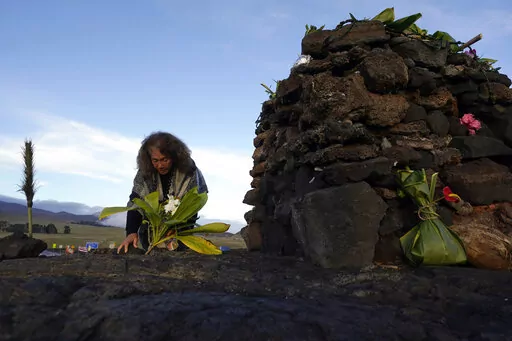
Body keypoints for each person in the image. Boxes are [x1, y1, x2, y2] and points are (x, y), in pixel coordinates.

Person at [117, 131, 208, 254]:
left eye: (164, 159)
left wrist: (178, 231)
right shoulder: (144, 173)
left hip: (179, 234)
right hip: (150, 235)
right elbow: (136, 202)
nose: (160, 165)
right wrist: (131, 232)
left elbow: (193, 205)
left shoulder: (189, 171)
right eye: (155, 160)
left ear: (174, 156)